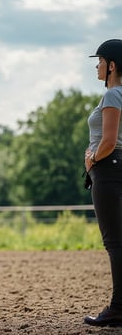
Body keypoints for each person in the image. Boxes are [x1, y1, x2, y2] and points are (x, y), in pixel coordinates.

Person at [84, 39, 122, 327]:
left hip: (108, 172)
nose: (96, 66)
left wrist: (92, 158)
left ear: (111, 66)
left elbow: (109, 141)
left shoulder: (112, 96)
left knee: (114, 242)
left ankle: (118, 307)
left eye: (99, 61)